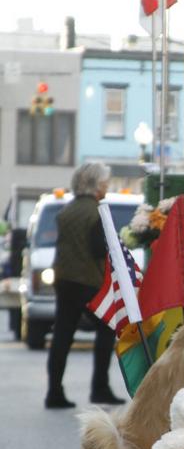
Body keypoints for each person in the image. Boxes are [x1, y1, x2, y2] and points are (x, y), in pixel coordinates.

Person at [45, 162, 124, 409]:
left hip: (64, 279)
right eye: (105, 183)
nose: (106, 187)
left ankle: (54, 392)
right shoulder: (95, 212)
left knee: (62, 334)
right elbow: (98, 249)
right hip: (88, 281)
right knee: (107, 327)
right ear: (96, 185)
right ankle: (100, 388)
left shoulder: (66, 210)